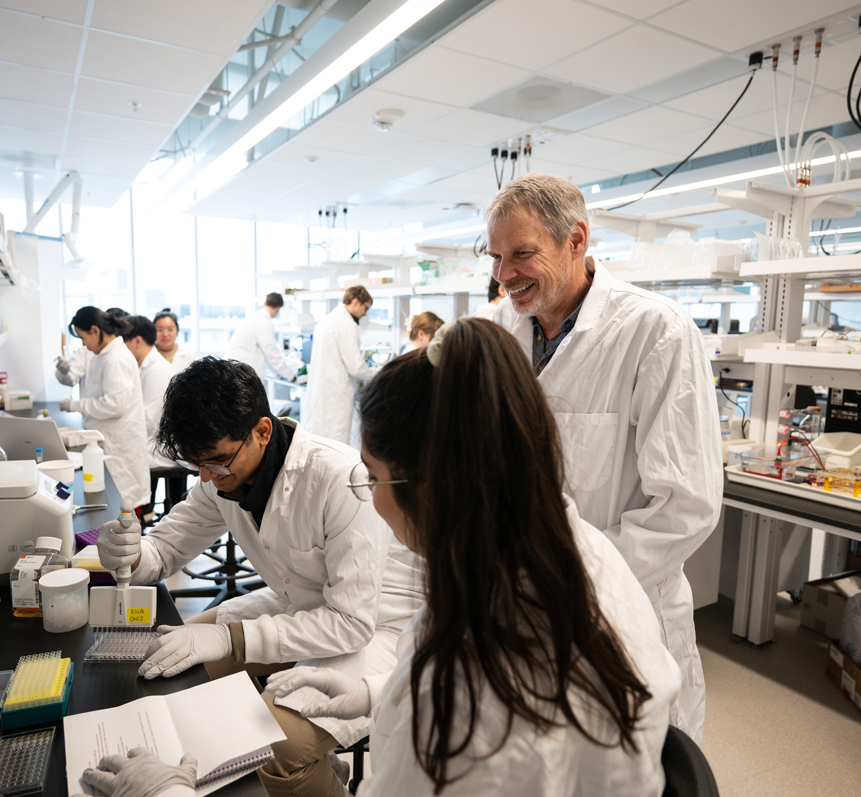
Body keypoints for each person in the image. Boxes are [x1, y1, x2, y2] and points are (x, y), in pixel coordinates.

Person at [264, 319, 680, 796]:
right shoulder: (576, 547)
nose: (369, 498)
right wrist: (377, 693)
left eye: (373, 478)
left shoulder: (459, 695)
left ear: (432, 488)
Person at [93, 357, 424, 797]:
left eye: (217, 461)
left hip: (377, 629)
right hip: (301, 606)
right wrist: (133, 554)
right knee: (166, 654)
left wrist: (234, 640)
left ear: (262, 432)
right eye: (198, 466)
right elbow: (167, 549)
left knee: (278, 741)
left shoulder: (339, 479)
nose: (207, 477)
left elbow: (351, 622)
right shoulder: (222, 477)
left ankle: (313, 777)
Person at [487, 172, 721, 742]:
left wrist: (571, 581)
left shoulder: (654, 332)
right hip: (523, 609)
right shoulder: (499, 331)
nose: (503, 274)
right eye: (494, 256)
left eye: (521, 253)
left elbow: (685, 507)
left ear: (576, 241)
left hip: (623, 609)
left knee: (630, 767)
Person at [60, 306, 151, 508]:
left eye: (83, 337)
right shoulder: (103, 355)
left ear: (95, 330)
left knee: (125, 510)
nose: (83, 344)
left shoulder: (115, 358)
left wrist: (76, 405)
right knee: (115, 505)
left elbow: (115, 405)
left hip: (120, 446)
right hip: (108, 441)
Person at [121, 315, 185, 517]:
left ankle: (135, 518)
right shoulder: (146, 366)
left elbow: (149, 420)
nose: (121, 348)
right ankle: (139, 514)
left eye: (124, 341)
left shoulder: (156, 369)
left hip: (164, 447)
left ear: (137, 341)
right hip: (155, 439)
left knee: (118, 459)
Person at [301, 286, 377, 445]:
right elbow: (356, 367)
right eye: (366, 307)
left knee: (320, 443)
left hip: (322, 392)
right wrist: (380, 373)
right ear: (356, 301)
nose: (365, 313)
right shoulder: (348, 324)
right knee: (336, 445)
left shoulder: (326, 320)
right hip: (336, 395)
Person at [227, 292, 298, 382]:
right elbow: (272, 354)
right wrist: (291, 377)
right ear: (278, 309)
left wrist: (279, 374)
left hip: (235, 369)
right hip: (244, 373)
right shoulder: (263, 322)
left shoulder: (253, 318)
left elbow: (267, 355)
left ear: (265, 304)